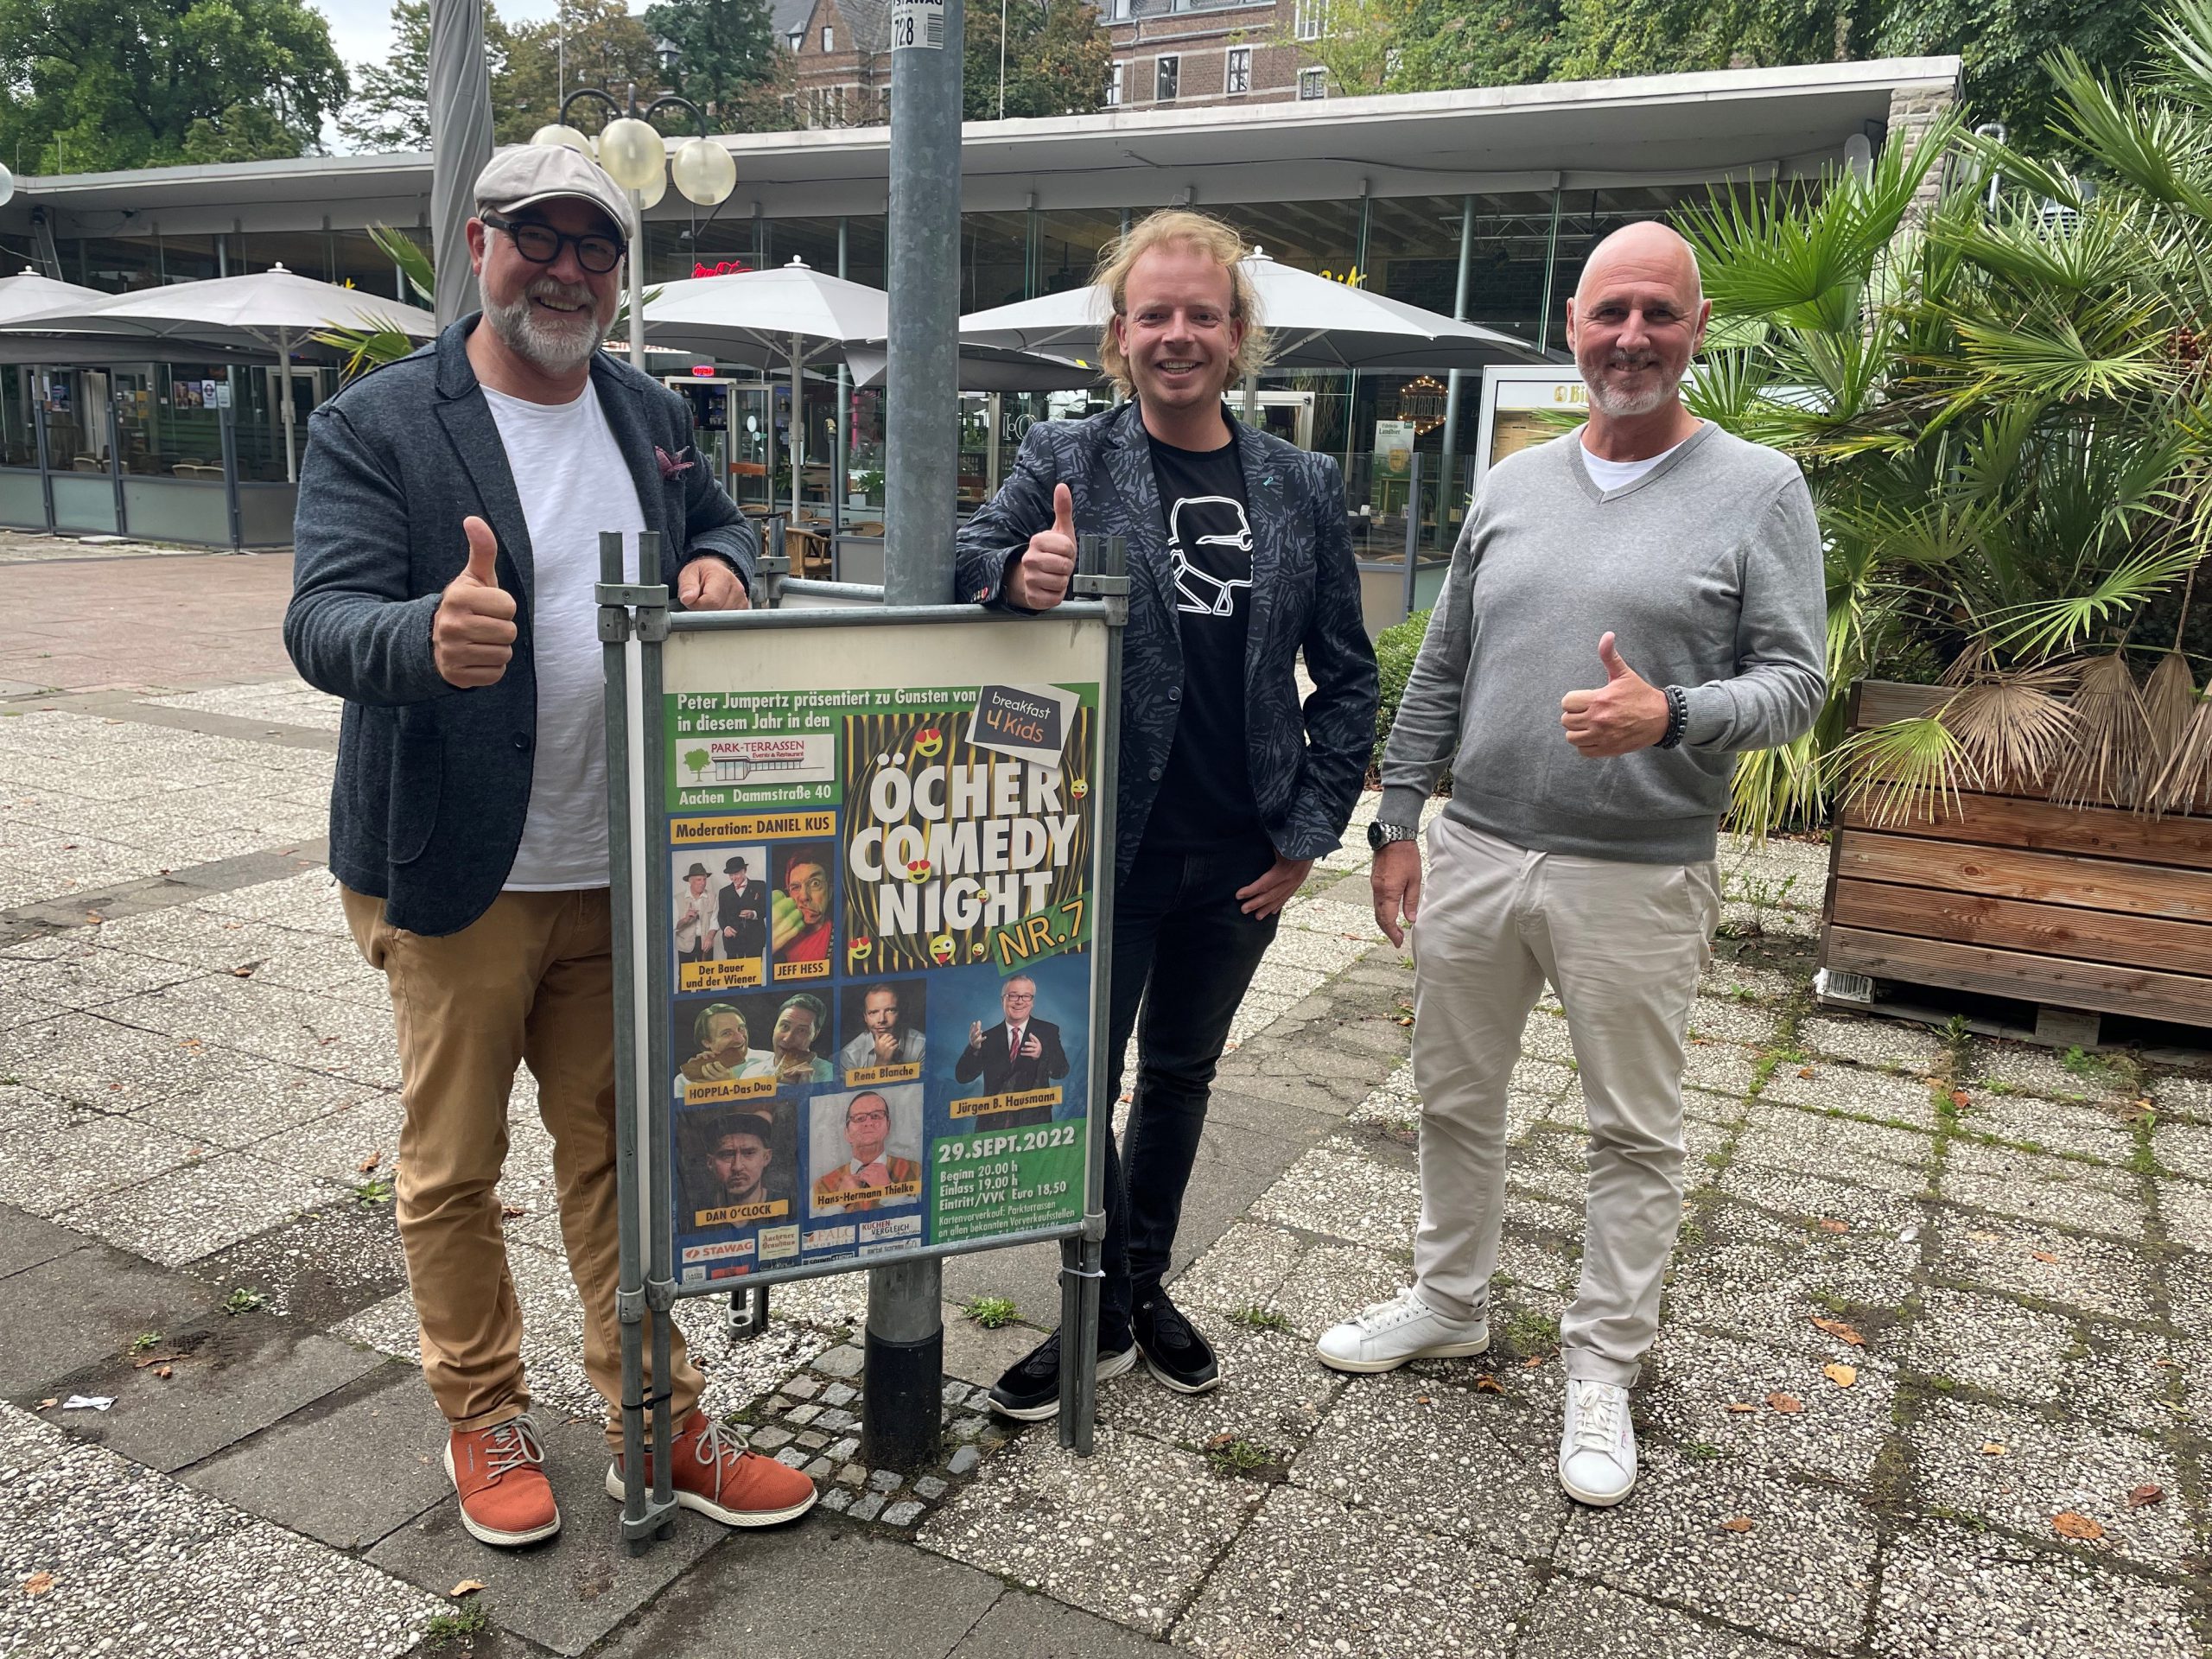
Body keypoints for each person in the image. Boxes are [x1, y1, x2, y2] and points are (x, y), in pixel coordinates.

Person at [286, 143, 814, 1548]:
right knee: (453, 1166)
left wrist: (727, 565)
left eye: (596, 247)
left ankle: (658, 1417)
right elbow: (321, 619)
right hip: (459, 871)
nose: (568, 269)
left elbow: (724, 520)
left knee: (624, 1157)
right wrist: (425, 634)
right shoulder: (380, 424)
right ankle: (483, 1412)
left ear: (620, 273)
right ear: (481, 245)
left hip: (624, 864)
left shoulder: (649, 412)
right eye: (541, 237)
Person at [1313, 222, 1826, 1510]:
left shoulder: (1759, 488)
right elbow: (1442, 663)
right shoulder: (1513, 483)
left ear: (1695, 328)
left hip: (1637, 873)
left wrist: (1675, 716)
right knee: (1452, 1098)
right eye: (1610, 313)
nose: (1631, 337)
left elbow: (1797, 684)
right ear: (1573, 328)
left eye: (1658, 313)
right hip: (1478, 849)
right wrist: (1396, 821)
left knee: (1632, 1133)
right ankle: (1450, 1301)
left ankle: (1603, 1365)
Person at [954, 209, 1376, 1419]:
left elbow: (1348, 675)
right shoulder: (1067, 456)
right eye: (1155, 315)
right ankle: (1096, 1302)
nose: (1177, 334)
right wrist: (1013, 575)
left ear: (1237, 334)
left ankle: (1138, 1290)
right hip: (1098, 850)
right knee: (1077, 1086)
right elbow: (958, 555)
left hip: (1240, 855)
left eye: (1202, 314)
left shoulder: (1300, 483)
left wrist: (1307, 834)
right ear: (1120, 335)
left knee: (1181, 1077)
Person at [952, 976, 1069, 1101]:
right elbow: (963, 1077)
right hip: (994, 1112)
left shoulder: (1048, 1031)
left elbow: (1060, 1072)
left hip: (1035, 1112)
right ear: (1003, 1000)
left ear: (1032, 1002)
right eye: (1013, 996)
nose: (1019, 1001)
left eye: (1026, 996)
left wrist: (1042, 1055)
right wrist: (974, 1048)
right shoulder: (986, 1038)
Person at [810, 1091, 920, 1210]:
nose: (868, 1123)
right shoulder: (820, 1187)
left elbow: (925, 1215)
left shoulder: (916, 1172)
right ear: (847, 1133)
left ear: (888, 1126)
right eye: (859, 1118)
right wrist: (839, 1202)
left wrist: (888, 1190)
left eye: (876, 1116)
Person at [693, 1109, 784, 1213]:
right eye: (727, 1155)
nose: (737, 1167)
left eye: (749, 1153)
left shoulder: (787, 1206)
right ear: (710, 1162)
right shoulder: (698, 1212)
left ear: (766, 1157)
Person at [735, 994, 835, 1086]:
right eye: (785, 1026)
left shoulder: (831, 1074)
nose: (788, 1039)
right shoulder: (751, 1074)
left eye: (801, 1030)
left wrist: (806, 1089)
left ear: (815, 1035)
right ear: (775, 1027)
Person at [837, 982, 925, 1079]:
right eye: (873, 1012)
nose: (882, 1019)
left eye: (890, 1010)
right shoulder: (849, 1056)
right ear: (865, 1017)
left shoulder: (922, 1044)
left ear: (900, 1013)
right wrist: (881, 1063)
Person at [775, 847, 833, 964]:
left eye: (815, 883)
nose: (804, 897)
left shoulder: (842, 939)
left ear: (830, 891)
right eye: (795, 887)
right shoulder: (777, 936)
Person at [717, 855, 767, 961]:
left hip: (755, 940)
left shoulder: (760, 886)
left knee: (754, 970)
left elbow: (766, 908)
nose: (733, 878)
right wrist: (726, 928)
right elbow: (721, 915)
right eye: (731, 875)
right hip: (733, 942)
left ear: (744, 870)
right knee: (734, 971)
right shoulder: (724, 892)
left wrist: (754, 914)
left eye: (736, 873)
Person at [676, 863, 715, 963]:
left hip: (706, 943)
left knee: (707, 973)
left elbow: (715, 920)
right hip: (685, 945)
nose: (703, 883)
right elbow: (673, 926)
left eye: (704, 879)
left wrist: (710, 937)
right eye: (699, 880)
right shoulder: (677, 899)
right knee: (686, 973)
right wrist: (685, 920)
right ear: (690, 881)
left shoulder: (713, 897)